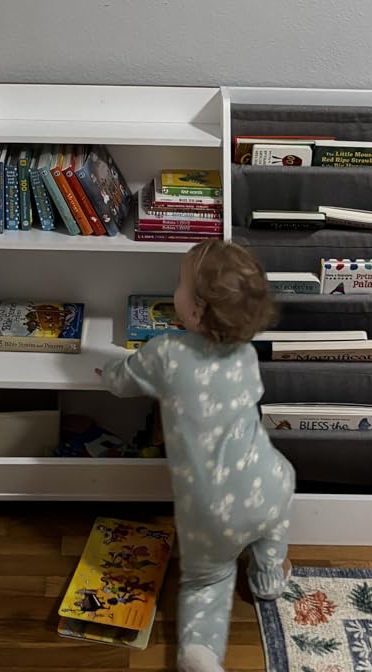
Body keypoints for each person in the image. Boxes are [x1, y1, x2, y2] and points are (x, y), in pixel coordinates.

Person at [97, 241, 294, 672]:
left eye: (180, 285)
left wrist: (105, 371)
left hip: (208, 514)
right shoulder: (246, 356)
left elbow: (122, 380)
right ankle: (268, 577)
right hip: (264, 485)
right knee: (280, 491)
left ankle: (199, 652)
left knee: (207, 581)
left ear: (197, 311)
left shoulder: (166, 353)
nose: (175, 291)